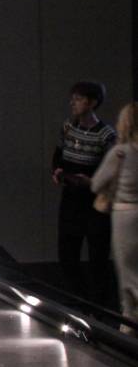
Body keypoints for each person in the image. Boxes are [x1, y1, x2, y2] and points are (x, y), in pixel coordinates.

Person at [52, 81, 115, 302]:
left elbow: (111, 170)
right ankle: (79, 301)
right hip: (71, 198)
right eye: (73, 99)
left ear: (92, 103)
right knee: (67, 254)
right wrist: (57, 170)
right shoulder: (68, 127)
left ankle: (99, 306)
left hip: (94, 202)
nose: (73, 103)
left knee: (97, 257)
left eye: (78, 99)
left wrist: (90, 182)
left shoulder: (106, 134)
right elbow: (58, 154)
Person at [92, 102, 138, 332]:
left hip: (124, 216)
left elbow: (96, 184)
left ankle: (128, 325)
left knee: (128, 274)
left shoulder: (120, 153)